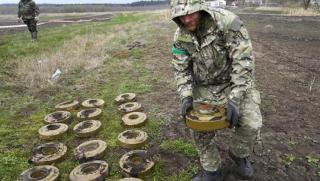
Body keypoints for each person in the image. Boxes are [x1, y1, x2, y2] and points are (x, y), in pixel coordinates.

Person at [170, 0, 263, 180]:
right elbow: (180, 69)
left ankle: (239, 154)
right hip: (205, 87)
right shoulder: (180, 37)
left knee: (251, 124)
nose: (187, 19)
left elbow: (243, 64)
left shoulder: (228, 23)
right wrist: (186, 96)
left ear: (202, 10)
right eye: (181, 15)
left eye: (191, 13)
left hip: (234, 83)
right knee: (198, 127)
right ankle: (211, 170)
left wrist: (235, 99)